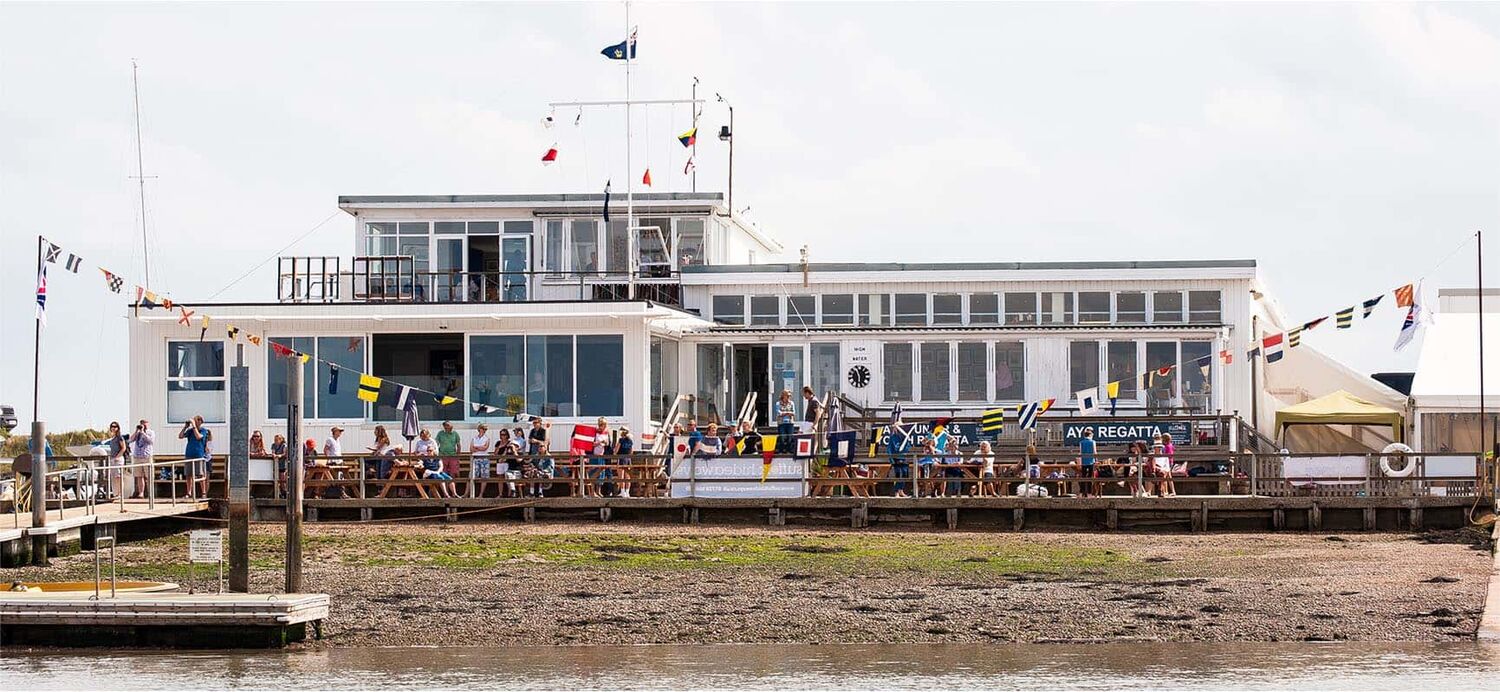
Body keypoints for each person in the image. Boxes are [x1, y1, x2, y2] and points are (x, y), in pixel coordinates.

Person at [413, 429, 452, 498]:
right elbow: (415, 452)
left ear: (428, 435)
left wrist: (430, 455)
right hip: (423, 461)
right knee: (421, 474)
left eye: (425, 436)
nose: (423, 438)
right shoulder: (419, 442)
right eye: (422, 436)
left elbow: (436, 453)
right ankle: (423, 494)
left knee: (448, 478)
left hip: (432, 462)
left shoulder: (432, 441)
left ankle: (452, 494)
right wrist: (420, 454)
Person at [179, 415, 209, 499]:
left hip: (198, 455)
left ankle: (203, 492)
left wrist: (194, 427)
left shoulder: (203, 430)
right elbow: (180, 436)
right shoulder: (190, 431)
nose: (195, 422)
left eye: (196, 420)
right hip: (189, 454)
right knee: (188, 475)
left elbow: (199, 437)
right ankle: (188, 492)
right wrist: (185, 427)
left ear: (200, 422)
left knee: (200, 474)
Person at [127, 419, 155, 499]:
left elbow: (150, 441)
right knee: (139, 476)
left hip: (146, 456)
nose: (143, 426)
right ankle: (141, 493)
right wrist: (136, 431)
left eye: (145, 424)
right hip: (137, 456)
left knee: (149, 476)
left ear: (147, 424)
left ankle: (151, 493)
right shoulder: (138, 433)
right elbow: (130, 440)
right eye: (142, 424)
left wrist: (143, 432)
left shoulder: (150, 432)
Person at [587, 418, 612, 498]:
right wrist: (599, 443)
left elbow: (608, 444)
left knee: (601, 474)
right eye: (601, 425)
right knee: (593, 473)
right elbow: (591, 444)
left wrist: (605, 443)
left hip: (602, 455)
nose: (603, 426)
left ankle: (598, 491)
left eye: (604, 425)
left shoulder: (606, 433)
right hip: (594, 455)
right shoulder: (594, 433)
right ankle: (592, 492)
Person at [105, 421, 127, 500]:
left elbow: (123, 448)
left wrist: (118, 457)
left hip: (118, 459)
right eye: (112, 426)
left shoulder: (119, 437)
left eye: (115, 427)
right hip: (113, 458)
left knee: (119, 477)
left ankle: (120, 493)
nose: (113, 428)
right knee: (114, 477)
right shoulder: (112, 438)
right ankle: (116, 493)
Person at [436, 421, 461, 490]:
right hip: (442, 456)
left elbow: (458, 445)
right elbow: (436, 443)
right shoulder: (440, 433)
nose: (446, 427)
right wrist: (436, 454)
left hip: (453, 456)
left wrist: (458, 456)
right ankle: (446, 493)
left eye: (448, 426)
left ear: (451, 426)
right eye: (445, 426)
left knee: (453, 474)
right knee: (444, 474)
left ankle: (453, 491)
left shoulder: (455, 434)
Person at [887, 425, 911, 498]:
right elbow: (889, 449)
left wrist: (907, 442)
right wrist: (892, 460)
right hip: (896, 458)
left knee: (905, 474)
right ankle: (896, 491)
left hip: (904, 458)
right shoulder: (893, 437)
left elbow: (908, 447)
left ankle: (901, 490)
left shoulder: (905, 437)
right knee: (898, 475)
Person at [470, 424, 493, 496]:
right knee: (472, 476)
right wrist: (480, 448)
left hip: (484, 458)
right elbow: (471, 449)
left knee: (484, 477)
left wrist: (476, 447)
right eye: (483, 428)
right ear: (479, 429)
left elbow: (485, 448)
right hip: (475, 458)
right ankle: (469, 494)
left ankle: (481, 494)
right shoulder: (474, 438)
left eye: (485, 429)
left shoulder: (487, 438)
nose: (484, 430)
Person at [1078, 429, 1098, 498]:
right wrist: (1096, 460)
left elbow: (1080, 453)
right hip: (1091, 462)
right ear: (1090, 435)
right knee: (1090, 478)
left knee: (1083, 478)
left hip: (1083, 462)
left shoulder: (1081, 442)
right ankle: (1089, 493)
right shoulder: (1093, 442)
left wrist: (1080, 463)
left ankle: (1081, 493)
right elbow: (1095, 452)